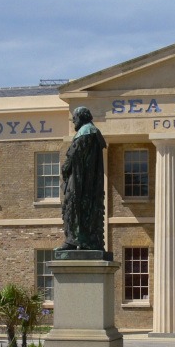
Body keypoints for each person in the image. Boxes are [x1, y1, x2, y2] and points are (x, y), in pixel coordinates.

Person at [57, 107, 107, 251]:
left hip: (79, 181)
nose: (73, 121)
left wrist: (65, 169)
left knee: (72, 206)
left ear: (82, 117)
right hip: (88, 182)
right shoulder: (94, 133)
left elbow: (73, 156)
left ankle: (73, 240)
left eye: (75, 118)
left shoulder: (85, 133)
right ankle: (88, 241)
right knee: (89, 210)